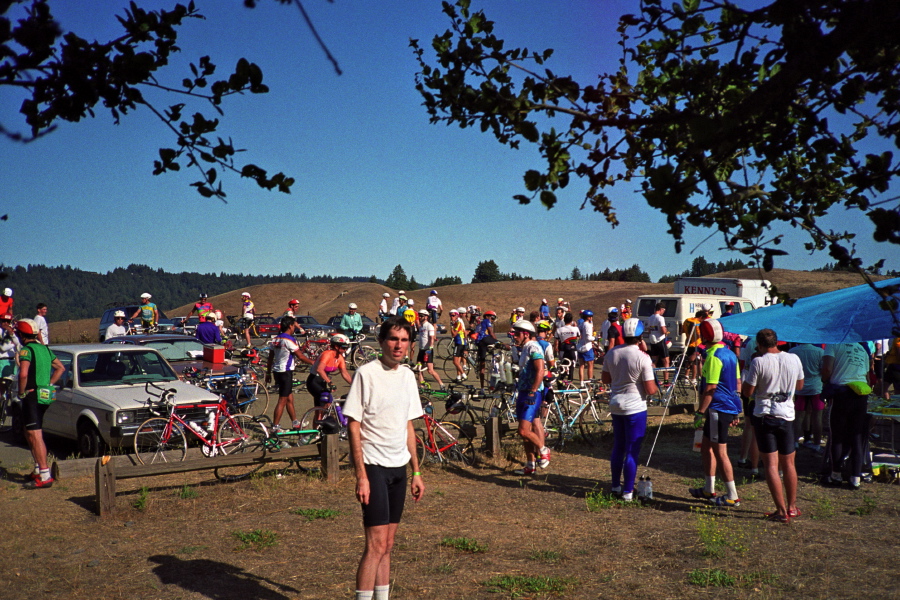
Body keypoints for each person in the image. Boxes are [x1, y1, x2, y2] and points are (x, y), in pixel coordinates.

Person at [343, 317, 424, 600]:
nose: (398, 345)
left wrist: (416, 471)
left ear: (410, 345)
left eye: (403, 340)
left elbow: (408, 426)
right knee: (375, 545)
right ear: (381, 342)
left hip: (399, 468)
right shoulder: (367, 374)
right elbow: (353, 423)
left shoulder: (408, 376)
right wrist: (361, 476)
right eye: (393, 339)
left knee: (388, 544)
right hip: (374, 467)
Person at [741, 328, 804, 523]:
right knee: (789, 463)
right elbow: (800, 386)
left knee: (771, 465)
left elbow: (748, 391)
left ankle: (781, 510)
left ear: (759, 345)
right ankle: (792, 506)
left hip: (765, 415)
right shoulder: (794, 358)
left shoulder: (759, 361)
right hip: (786, 415)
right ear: (777, 342)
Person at [602, 318, 658, 501]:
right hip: (635, 405)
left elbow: (605, 379)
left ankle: (615, 486)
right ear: (640, 336)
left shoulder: (611, 353)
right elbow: (650, 390)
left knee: (618, 446)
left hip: (616, 403)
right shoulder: (643, 357)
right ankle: (628, 491)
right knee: (632, 449)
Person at [688, 319, 742, 507]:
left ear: (705, 336)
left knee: (720, 452)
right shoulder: (729, 354)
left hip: (717, 408)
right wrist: (737, 410)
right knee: (706, 447)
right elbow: (737, 384)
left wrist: (700, 412)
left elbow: (710, 388)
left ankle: (732, 495)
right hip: (726, 406)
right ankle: (708, 488)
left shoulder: (713, 357)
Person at [16, 318, 66, 489]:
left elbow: (23, 374)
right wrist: (49, 383)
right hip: (45, 395)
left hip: (32, 395)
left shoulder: (26, 350)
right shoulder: (44, 348)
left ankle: (44, 474)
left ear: (22, 335)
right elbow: (60, 367)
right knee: (30, 431)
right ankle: (38, 468)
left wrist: (21, 392)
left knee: (35, 434)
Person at [821, 341, 873, 490]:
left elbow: (827, 369)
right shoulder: (862, 348)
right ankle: (855, 477)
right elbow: (868, 376)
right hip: (860, 395)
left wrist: (825, 380)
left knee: (837, 436)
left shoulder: (833, 344)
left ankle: (836, 475)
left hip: (842, 393)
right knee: (857, 436)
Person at [510, 319, 550, 475]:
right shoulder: (525, 347)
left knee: (523, 431)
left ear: (526, 334)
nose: (515, 336)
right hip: (523, 391)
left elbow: (540, 369)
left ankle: (543, 449)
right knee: (526, 432)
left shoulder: (533, 346)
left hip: (531, 393)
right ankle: (530, 465)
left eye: (517, 334)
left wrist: (533, 390)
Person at [264, 316, 314, 431]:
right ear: (290, 326)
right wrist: (314, 362)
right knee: (282, 399)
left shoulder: (275, 339)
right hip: (286, 372)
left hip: (277, 371)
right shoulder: (290, 340)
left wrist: (268, 373)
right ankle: (275, 426)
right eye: (293, 326)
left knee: (289, 398)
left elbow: (270, 358)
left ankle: (295, 422)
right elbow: (300, 356)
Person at [307, 333, 353, 419]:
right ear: (336, 346)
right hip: (314, 381)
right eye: (343, 347)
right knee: (326, 401)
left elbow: (344, 373)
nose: (345, 349)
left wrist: (354, 384)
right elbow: (319, 369)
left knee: (320, 409)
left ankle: (318, 429)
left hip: (323, 382)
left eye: (346, 348)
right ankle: (322, 423)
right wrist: (330, 382)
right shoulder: (327, 354)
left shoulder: (339, 358)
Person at [788, 342, 825, 450]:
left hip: (800, 387)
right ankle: (817, 443)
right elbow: (823, 370)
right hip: (816, 387)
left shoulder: (793, 352)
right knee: (817, 416)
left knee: (799, 416)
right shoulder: (820, 352)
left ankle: (795, 441)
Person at [414, 309, 443, 389]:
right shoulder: (421, 326)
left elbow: (431, 338)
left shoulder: (429, 326)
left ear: (426, 317)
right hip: (421, 350)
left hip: (428, 350)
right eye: (419, 316)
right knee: (419, 369)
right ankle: (421, 385)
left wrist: (430, 347)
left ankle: (441, 384)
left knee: (430, 370)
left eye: (422, 316)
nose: (420, 317)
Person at [646, 302, 670, 382]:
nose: (663, 312)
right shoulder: (660, 318)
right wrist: (666, 332)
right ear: (661, 309)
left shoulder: (650, 318)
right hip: (660, 340)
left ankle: (654, 379)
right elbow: (663, 330)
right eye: (664, 310)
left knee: (654, 361)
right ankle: (666, 380)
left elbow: (649, 330)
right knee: (666, 361)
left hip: (653, 341)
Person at [474, 310, 498, 388]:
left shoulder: (479, 322)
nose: (493, 320)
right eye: (493, 318)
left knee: (482, 365)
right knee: (499, 345)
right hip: (484, 340)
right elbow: (491, 333)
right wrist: (497, 341)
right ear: (487, 316)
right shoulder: (487, 321)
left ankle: (482, 388)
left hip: (478, 342)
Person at [553, 312, 579, 380]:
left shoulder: (559, 330)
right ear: (571, 320)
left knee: (563, 366)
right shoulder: (576, 329)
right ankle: (570, 382)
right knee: (572, 366)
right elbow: (579, 337)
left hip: (563, 350)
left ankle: (561, 381)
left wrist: (556, 349)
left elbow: (556, 341)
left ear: (564, 320)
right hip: (573, 349)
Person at [0, 314, 20, 402]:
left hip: (11, 361)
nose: (5, 323)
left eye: (7, 321)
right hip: (1, 361)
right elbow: (3, 347)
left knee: (10, 385)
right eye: (3, 321)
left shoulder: (13, 332)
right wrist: (12, 344)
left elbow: (19, 345)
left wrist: (12, 335)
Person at [576, 310, 596, 383]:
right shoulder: (588, 325)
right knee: (590, 364)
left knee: (581, 365)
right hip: (587, 347)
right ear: (588, 317)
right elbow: (588, 338)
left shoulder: (581, 324)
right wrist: (596, 338)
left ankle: (581, 382)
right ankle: (590, 381)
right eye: (591, 316)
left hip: (580, 346)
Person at [448, 309, 467, 382]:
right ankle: (458, 377)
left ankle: (463, 375)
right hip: (460, 343)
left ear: (457, 315)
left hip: (459, 343)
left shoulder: (458, 323)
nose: (451, 317)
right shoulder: (456, 322)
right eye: (450, 315)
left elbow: (453, 335)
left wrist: (451, 327)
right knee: (458, 362)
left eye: (453, 315)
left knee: (455, 362)